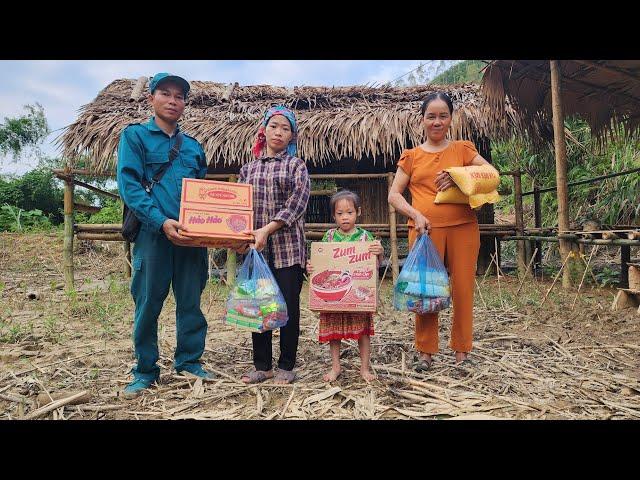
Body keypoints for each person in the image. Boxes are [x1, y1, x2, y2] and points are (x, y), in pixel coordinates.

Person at [387, 92, 499, 371]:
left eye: (443, 116)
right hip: (424, 233)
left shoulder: (462, 150)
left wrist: (458, 175)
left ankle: (462, 350)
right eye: (431, 116)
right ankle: (425, 351)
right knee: (426, 290)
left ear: (451, 119)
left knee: (462, 289)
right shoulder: (411, 156)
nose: (437, 122)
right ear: (422, 120)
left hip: (463, 229)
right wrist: (416, 214)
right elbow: (394, 195)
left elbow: (491, 174)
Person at [117, 73, 213, 398]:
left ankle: (189, 362)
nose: (173, 101)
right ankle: (145, 369)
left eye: (179, 96)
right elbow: (130, 186)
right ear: (152, 99)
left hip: (190, 239)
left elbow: (203, 195)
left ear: (185, 104)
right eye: (166, 94)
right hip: (152, 236)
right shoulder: (135, 137)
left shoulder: (194, 148)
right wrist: (161, 222)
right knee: (147, 303)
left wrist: (206, 227)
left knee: (191, 302)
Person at [235, 105, 310, 385]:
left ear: (292, 136)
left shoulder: (296, 166)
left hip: (288, 250)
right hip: (257, 251)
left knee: (288, 308)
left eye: (285, 128)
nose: (279, 132)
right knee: (259, 306)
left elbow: (297, 204)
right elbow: (239, 211)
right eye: (274, 126)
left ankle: (286, 365)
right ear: (263, 130)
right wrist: (239, 238)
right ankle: (262, 366)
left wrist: (267, 228)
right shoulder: (247, 169)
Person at [306, 190, 384, 382]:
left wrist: (380, 252)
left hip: (357, 294)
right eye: (340, 214)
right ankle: (336, 367)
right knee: (333, 332)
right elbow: (321, 261)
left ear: (358, 212)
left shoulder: (365, 238)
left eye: (349, 212)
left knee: (363, 332)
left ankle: (364, 369)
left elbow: (375, 265)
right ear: (334, 216)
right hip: (334, 295)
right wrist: (312, 266)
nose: (345, 217)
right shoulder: (329, 237)